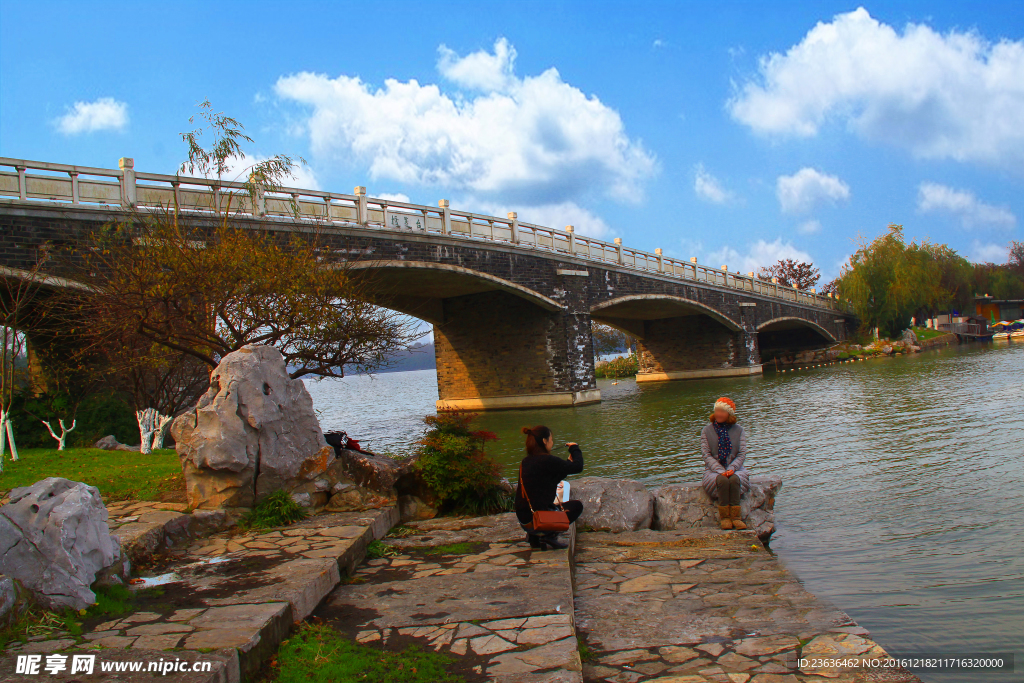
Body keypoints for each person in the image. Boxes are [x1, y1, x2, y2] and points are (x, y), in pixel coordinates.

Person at [515, 425, 584, 550]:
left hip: (526, 522)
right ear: (544, 441)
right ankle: (550, 534)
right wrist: (575, 448)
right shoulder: (548, 460)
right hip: (541, 520)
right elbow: (578, 466)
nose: (552, 442)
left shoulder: (525, 461)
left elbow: (550, 479)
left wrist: (567, 464)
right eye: (551, 439)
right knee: (576, 506)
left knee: (543, 506)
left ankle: (534, 536)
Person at [700, 397, 749, 530]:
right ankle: (725, 517)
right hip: (713, 469)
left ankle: (736, 517)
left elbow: (741, 454)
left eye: (722, 411)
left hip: (735, 467)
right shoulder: (707, 431)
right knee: (722, 480)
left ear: (729, 414)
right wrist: (720, 470)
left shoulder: (739, 430)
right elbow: (706, 455)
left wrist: (732, 468)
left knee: (734, 479)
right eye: (717, 411)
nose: (718, 414)